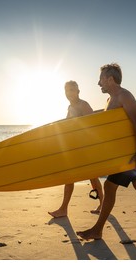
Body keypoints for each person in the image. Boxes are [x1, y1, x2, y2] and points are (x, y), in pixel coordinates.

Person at [76, 63, 136, 240]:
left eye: (101, 79)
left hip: (130, 154)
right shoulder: (111, 99)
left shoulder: (124, 96)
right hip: (124, 152)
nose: (98, 83)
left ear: (110, 79)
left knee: (109, 186)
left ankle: (97, 229)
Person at [48, 81, 103, 218]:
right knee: (84, 177)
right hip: (76, 148)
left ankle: (65, 209)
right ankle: (101, 205)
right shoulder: (70, 107)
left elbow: (93, 124)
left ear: (78, 91)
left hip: (85, 148)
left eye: (72, 90)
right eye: (67, 90)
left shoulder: (83, 105)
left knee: (90, 178)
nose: (69, 93)